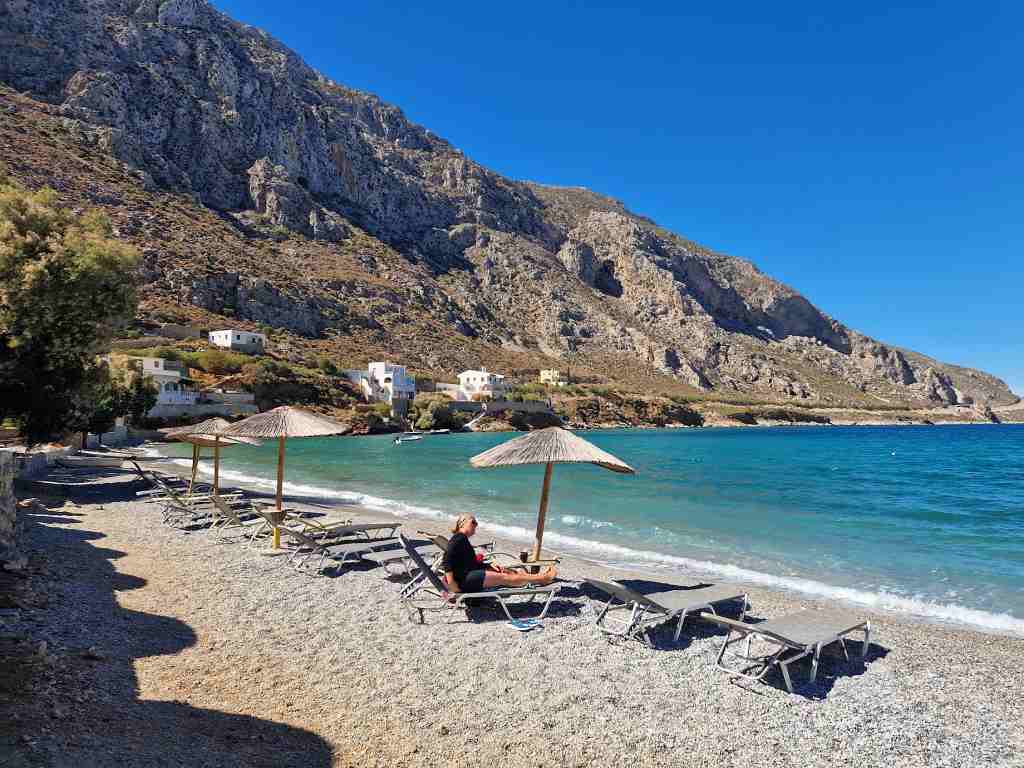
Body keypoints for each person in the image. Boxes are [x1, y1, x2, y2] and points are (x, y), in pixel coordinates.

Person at [443, 515, 556, 593]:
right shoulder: (459, 537)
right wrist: (452, 583)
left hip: (468, 575)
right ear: (462, 523)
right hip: (464, 580)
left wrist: (487, 566)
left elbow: (469, 563)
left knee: (505, 571)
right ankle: (543, 578)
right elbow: (446, 558)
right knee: (504, 577)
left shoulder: (462, 539)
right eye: (473, 522)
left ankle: (539, 577)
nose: (476, 525)